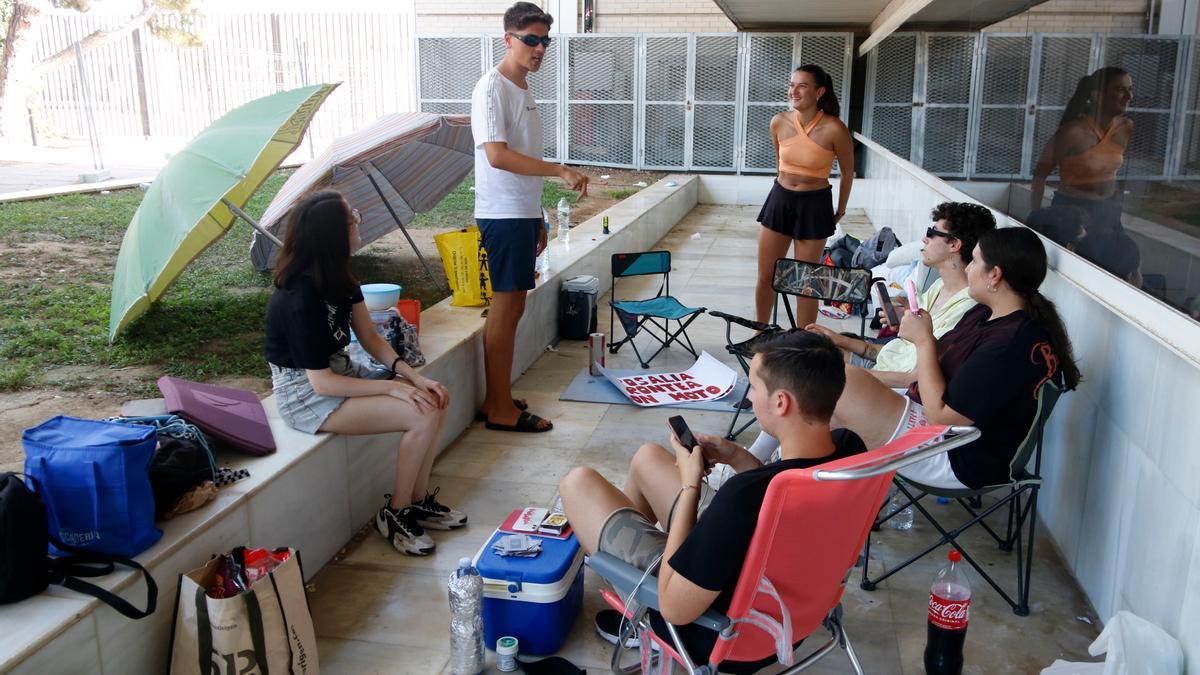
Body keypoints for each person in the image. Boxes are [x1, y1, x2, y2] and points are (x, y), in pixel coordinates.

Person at [559, 331, 866, 669]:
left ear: (781, 402)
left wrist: (691, 485)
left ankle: (639, 607)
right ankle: (632, 590)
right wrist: (736, 455)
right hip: (786, 604)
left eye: (754, 387)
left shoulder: (742, 497)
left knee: (577, 484)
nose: (749, 397)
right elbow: (781, 489)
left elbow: (675, 607)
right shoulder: (849, 453)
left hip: (715, 631)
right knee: (648, 458)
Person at [263, 190, 462, 556]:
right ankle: (396, 513)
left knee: (433, 397)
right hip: (304, 394)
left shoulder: (340, 277)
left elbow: (369, 336)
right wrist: (391, 390)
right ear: (333, 234)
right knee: (419, 416)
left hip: (340, 370)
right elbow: (319, 382)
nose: (359, 220)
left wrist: (411, 377)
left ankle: (416, 501)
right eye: (352, 218)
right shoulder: (298, 296)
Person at [828, 227, 1081, 490]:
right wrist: (921, 333)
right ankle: (799, 482)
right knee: (821, 382)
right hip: (941, 429)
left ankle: (800, 486)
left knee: (831, 384)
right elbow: (944, 367)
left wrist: (924, 341)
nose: (967, 269)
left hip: (958, 456)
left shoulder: (1009, 345)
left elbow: (942, 417)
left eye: (974, 261)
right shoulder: (989, 315)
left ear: (994, 275)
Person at [471, 2, 589, 434]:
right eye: (531, 40)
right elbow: (498, 156)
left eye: (545, 41)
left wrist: (537, 215)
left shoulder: (521, 90)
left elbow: (522, 160)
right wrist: (559, 170)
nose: (539, 49)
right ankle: (499, 407)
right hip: (501, 216)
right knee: (505, 309)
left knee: (515, 306)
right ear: (508, 39)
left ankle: (495, 397)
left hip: (518, 214)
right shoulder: (492, 88)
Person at [806, 202, 995, 387]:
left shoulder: (968, 309)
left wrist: (844, 373)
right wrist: (840, 340)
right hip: (881, 368)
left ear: (954, 244)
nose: (924, 239)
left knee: (811, 366)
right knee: (810, 348)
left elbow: (914, 378)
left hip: (893, 386)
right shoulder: (939, 286)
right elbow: (899, 352)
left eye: (932, 232)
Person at [756, 64, 855, 329]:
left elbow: (848, 173)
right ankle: (760, 332)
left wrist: (840, 211)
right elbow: (779, 165)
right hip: (780, 201)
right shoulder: (778, 121)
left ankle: (803, 341)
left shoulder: (835, 128)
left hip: (814, 204)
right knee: (766, 276)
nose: (793, 91)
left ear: (820, 91)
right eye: (791, 85)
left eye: (802, 85)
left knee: (805, 282)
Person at [1031, 68, 1133, 240]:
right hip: (1073, 211)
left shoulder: (1125, 128)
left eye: (1130, 90)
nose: (1129, 97)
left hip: (1109, 210)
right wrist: (1034, 218)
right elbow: (1040, 174)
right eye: (1120, 90)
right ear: (1097, 95)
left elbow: (1110, 166)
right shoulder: (1073, 132)